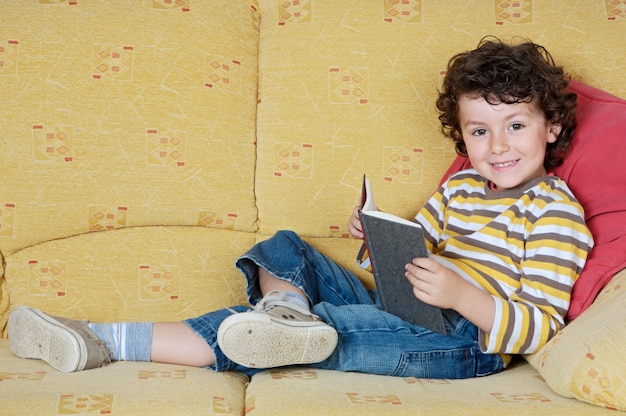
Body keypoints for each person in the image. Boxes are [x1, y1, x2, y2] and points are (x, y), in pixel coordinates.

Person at [8, 37, 594, 379]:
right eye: (479, 131)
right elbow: (410, 254)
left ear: (552, 127)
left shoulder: (553, 212)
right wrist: (374, 236)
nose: (497, 147)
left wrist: (462, 295)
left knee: (326, 330)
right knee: (283, 248)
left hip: (467, 341)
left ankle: (104, 339)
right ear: (462, 138)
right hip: (408, 305)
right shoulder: (461, 188)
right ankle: (287, 316)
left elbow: (543, 325)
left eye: (515, 126)